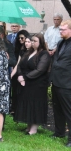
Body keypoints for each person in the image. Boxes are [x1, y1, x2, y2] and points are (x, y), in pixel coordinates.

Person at [14, 33, 50, 135]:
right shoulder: (28, 52)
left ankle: (34, 128)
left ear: (41, 42)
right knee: (28, 104)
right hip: (26, 83)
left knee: (36, 105)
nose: (33, 43)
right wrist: (20, 76)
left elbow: (40, 70)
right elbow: (20, 65)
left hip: (37, 84)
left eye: (35, 41)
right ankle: (29, 125)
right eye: (32, 41)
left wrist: (24, 77)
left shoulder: (44, 54)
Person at [50, 19, 71, 147]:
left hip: (68, 84)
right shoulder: (61, 42)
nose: (60, 32)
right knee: (57, 108)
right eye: (60, 29)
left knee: (69, 111)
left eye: (63, 29)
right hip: (56, 81)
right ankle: (59, 132)